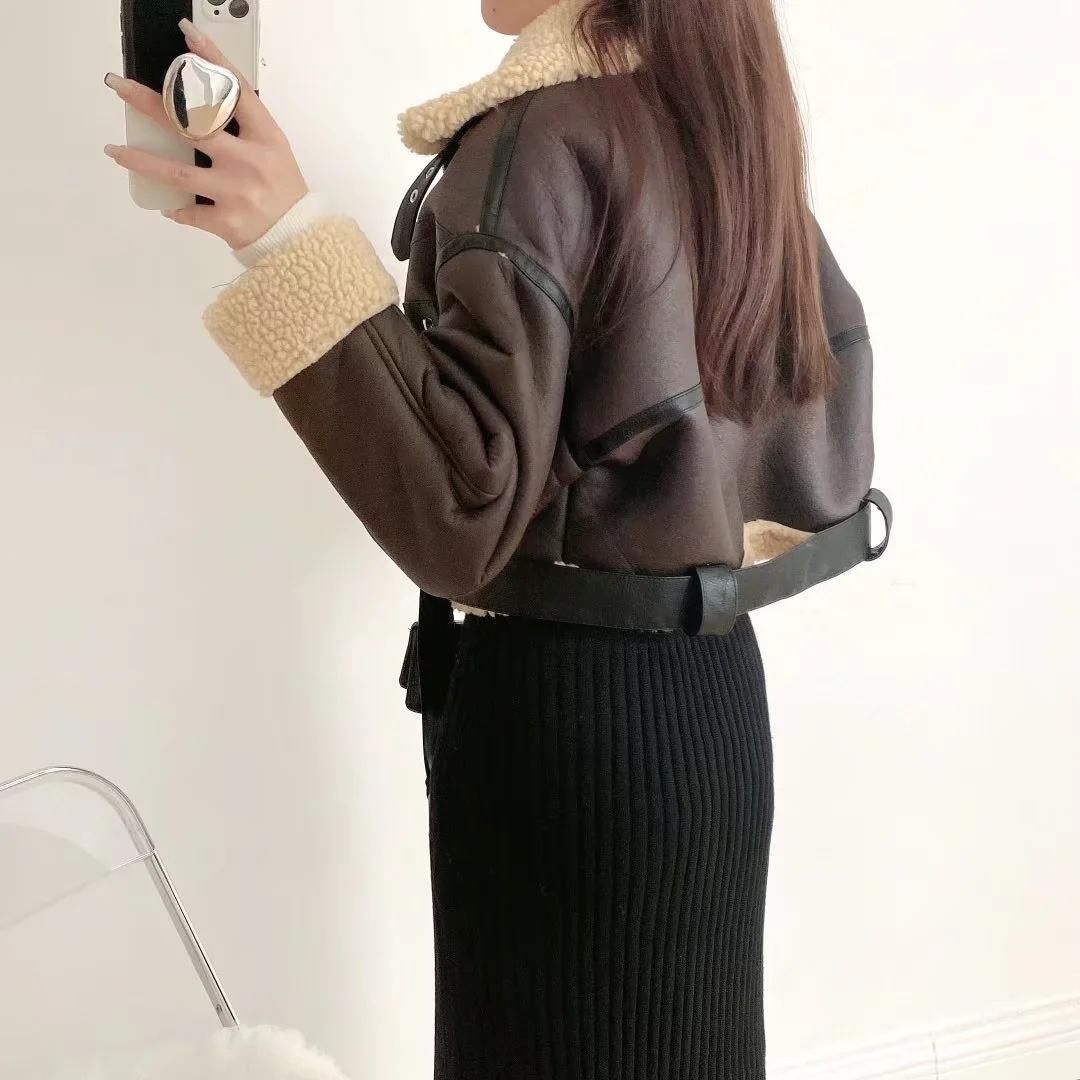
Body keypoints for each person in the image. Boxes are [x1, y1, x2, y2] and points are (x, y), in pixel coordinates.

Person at [104, 0, 887, 1075]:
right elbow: (818, 438)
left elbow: (460, 512)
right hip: (711, 711)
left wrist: (280, 234)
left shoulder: (544, 134)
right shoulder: (718, 112)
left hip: (566, 725)